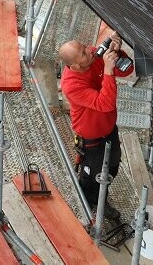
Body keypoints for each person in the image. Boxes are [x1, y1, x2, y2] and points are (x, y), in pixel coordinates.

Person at [58, 32, 134, 220]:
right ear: (74, 65)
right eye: (83, 53)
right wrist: (108, 70)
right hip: (91, 136)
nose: (90, 51)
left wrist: (118, 54)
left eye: (85, 46)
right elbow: (105, 104)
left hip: (108, 128)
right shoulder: (71, 84)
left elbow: (126, 70)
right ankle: (88, 205)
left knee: (112, 167)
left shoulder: (93, 56)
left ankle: (101, 199)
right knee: (92, 176)